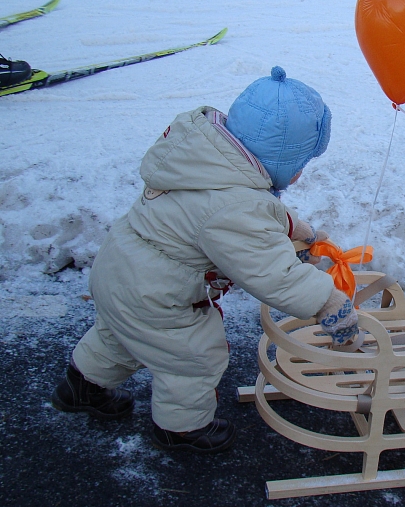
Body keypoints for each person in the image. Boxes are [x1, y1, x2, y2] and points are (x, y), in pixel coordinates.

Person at [51, 66, 359, 453]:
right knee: (193, 358)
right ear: (280, 159)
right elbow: (271, 272)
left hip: (119, 270)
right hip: (155, 295)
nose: (298, 176)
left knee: (120, 336)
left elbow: (249, 214)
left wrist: (297, 230)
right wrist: (327, 301)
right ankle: (182, 430)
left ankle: (79, 388)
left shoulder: (204, 159)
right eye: (299, 166)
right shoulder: (236, 207)